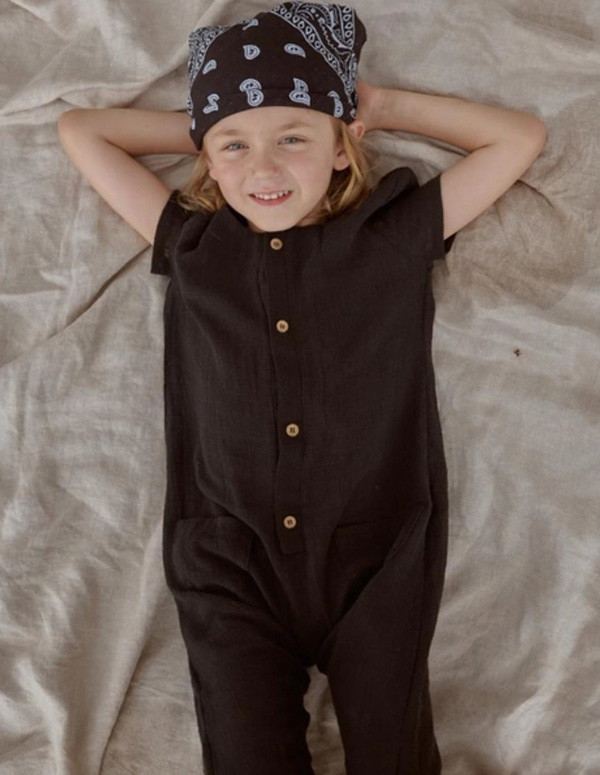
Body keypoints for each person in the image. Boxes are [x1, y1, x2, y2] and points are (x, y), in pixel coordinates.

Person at [58, 3, 547, 773]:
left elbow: (518, 139)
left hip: (377, 559)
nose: (264, 167)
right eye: (235, 146)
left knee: (396, 756)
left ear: (344, 151)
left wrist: (370, 107)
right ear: (208, 160)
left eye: (294, 137)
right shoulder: (192, 242)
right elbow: (82, 131)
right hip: (229, 565)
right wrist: (208, 126)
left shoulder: (391, 236)